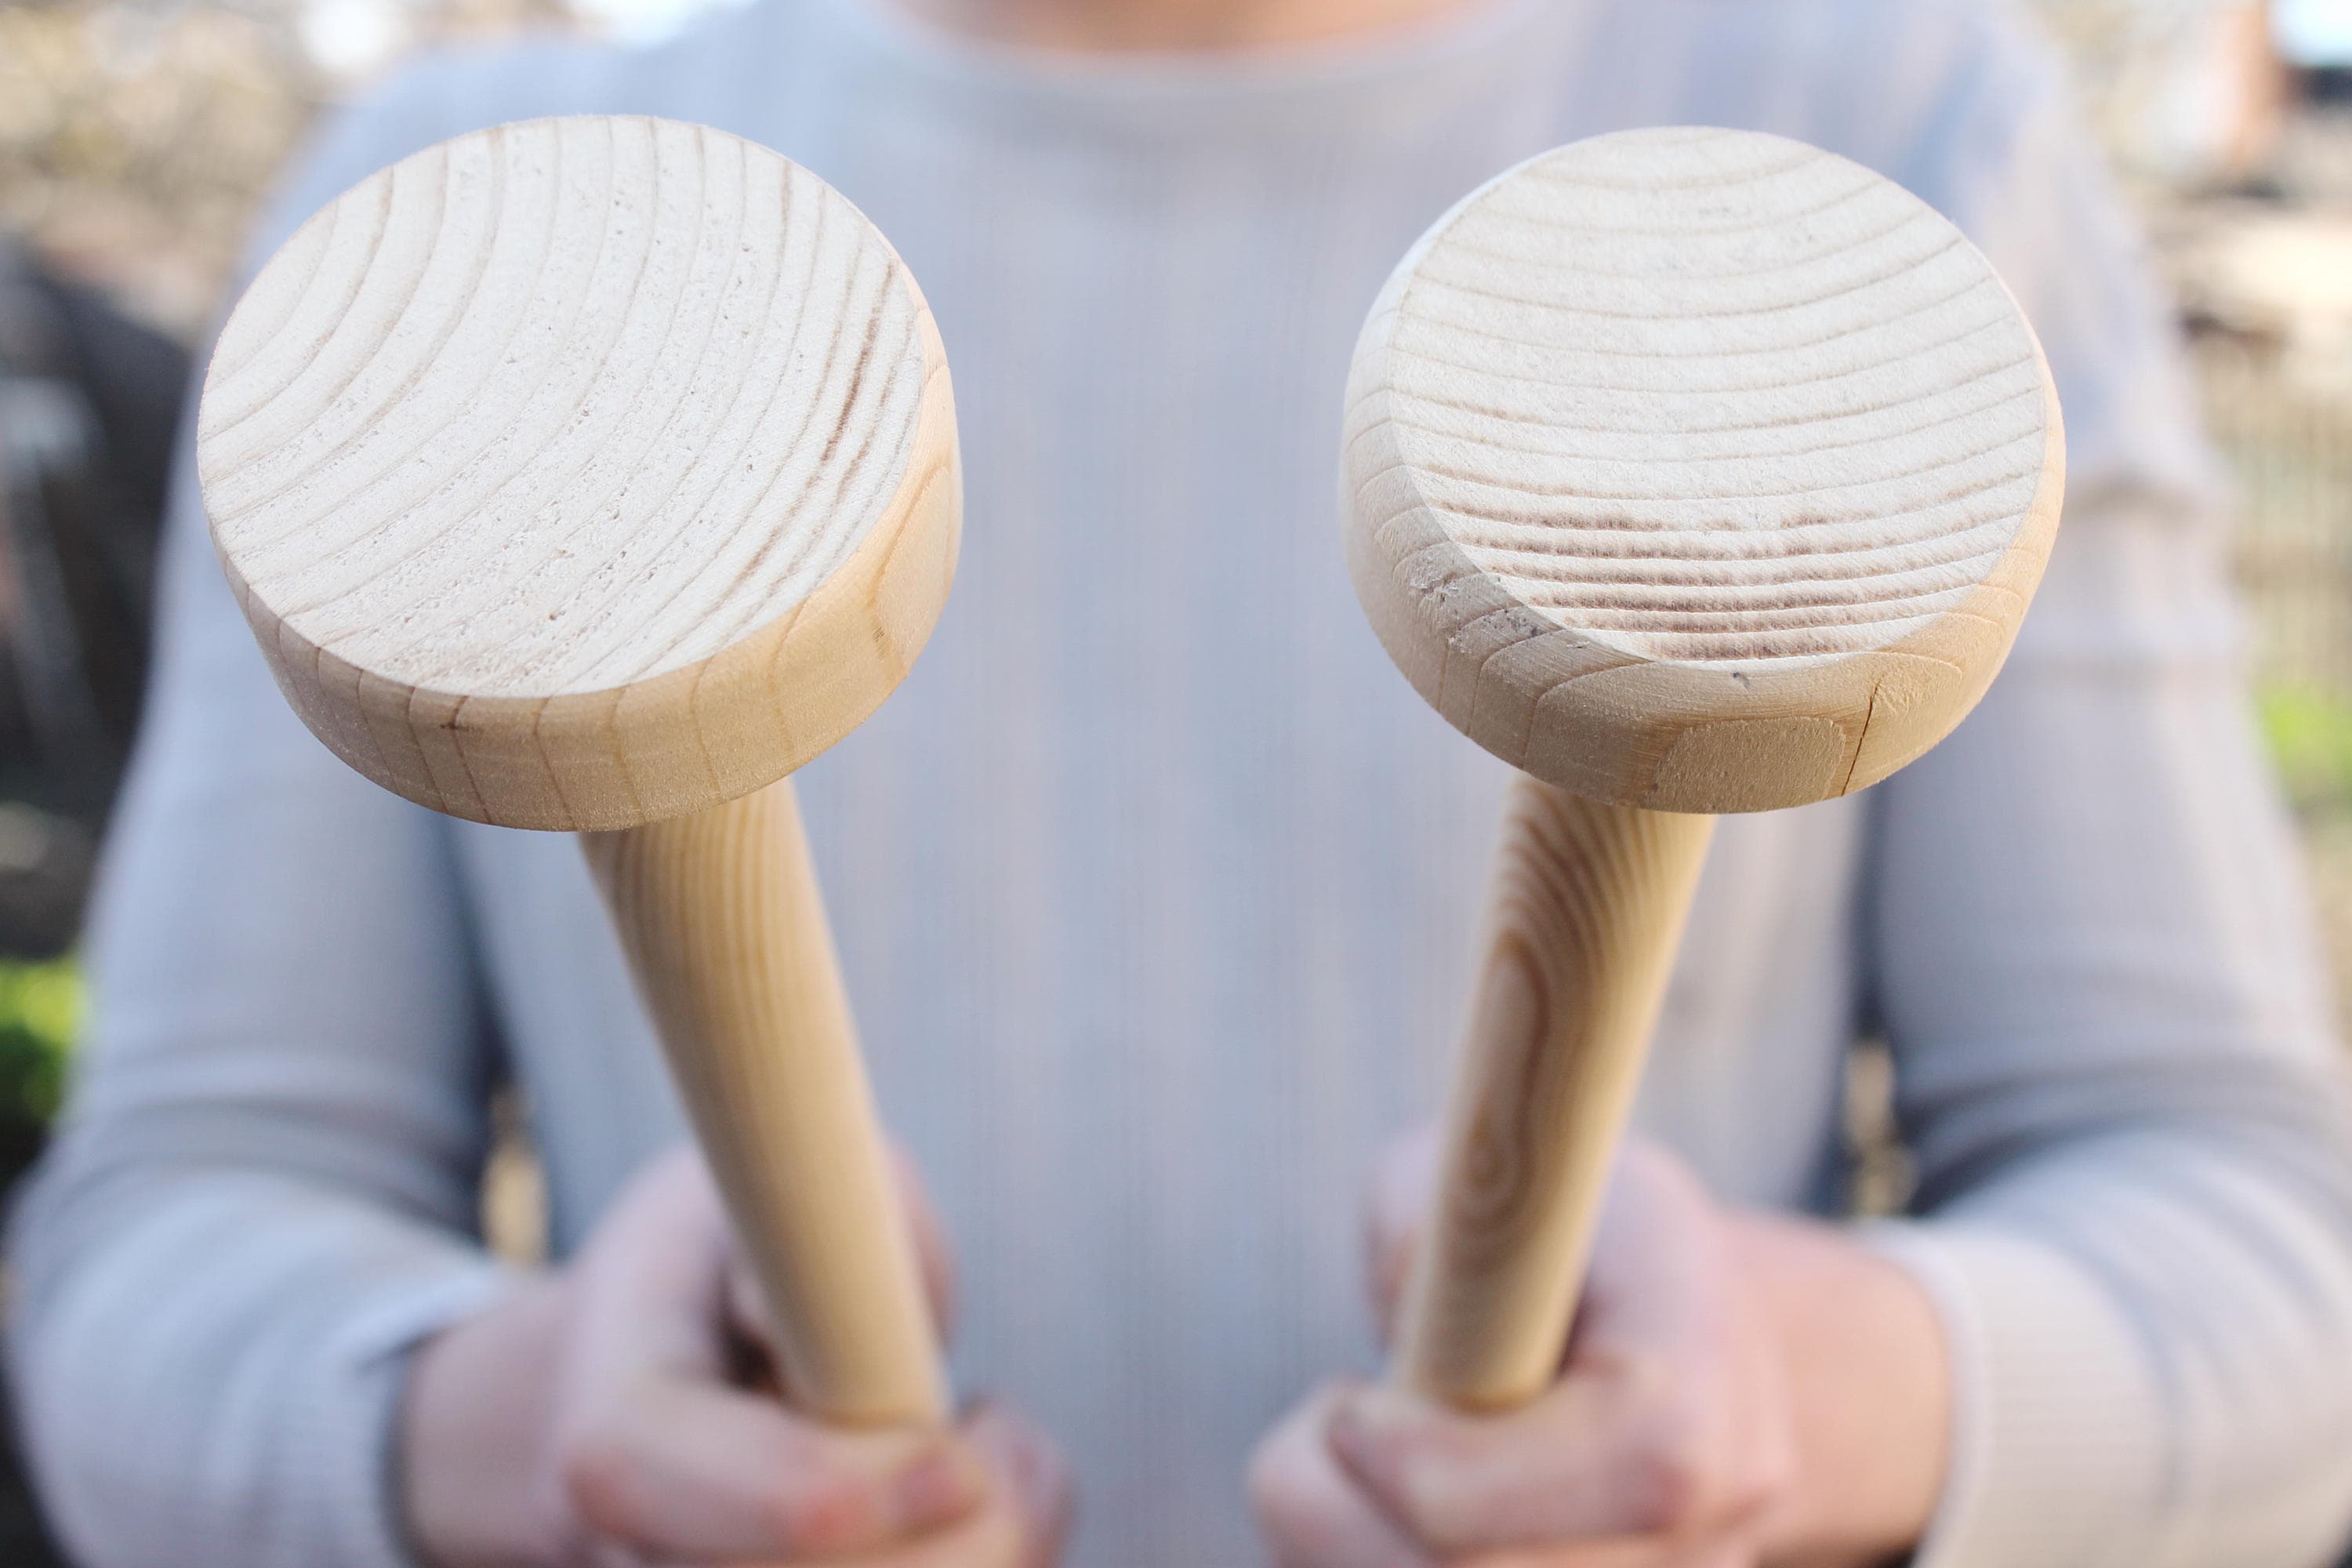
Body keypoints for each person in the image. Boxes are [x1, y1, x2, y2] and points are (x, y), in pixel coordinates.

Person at [13, 0, 2352, 1563]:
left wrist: (1822, 1392)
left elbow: (2270, 1252)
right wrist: (509, 1430)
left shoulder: (1883, 152)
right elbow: (158, 1247)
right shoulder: (465, 237)